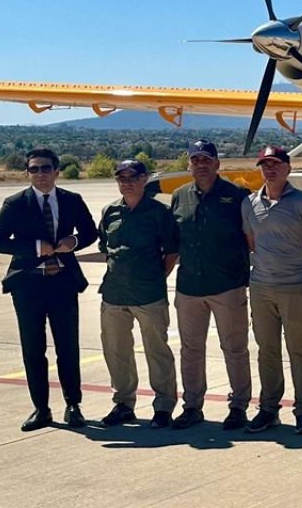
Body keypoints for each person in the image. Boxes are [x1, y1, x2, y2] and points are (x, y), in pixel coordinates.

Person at [0, 148, 98, 431]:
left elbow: (90, 232)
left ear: (57, 171)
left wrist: (73, 242)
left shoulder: (71, 201)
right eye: (34, 169)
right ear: (27, 173)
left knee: (68, 347)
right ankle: (41, 408)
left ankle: (73, 405)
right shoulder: (15, 203)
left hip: (63, 282)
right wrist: (36, 248)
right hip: (28, 285)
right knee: (33, 349)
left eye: (46, 168)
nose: (40, 174)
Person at [170, 139, 255, 431]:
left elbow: (250, 239)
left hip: (227, 286)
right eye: (196, 160)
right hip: (189, 287)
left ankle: (239, 406)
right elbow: (173, 243)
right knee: (190, 350)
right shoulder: (180, 196)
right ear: (189, 165)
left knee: (235, 348)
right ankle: (192, 405)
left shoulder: (237, 196)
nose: (201, 165)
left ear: (218, 164)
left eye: (206, 160)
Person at [245, 145, 302, 434]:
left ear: (288, 168)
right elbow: (252, 241)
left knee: (300, 350)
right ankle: (269, 408)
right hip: (261, 288)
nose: (270, 169)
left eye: (276, 164)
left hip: (295, 287)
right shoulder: (250, 204)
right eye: (265, 165)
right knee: (267, 350)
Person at [97, 159, 180, 429]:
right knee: (116, 350)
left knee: (157, 351)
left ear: (144, 179)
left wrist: (155, 278)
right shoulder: (109, 212)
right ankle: (123, 403)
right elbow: (105, 248)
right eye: (121, 178)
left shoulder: (159, 213)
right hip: (114, 294)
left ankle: (164, 405)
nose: (127, 183)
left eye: (132, 177)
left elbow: (171, 253)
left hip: (148, 294)